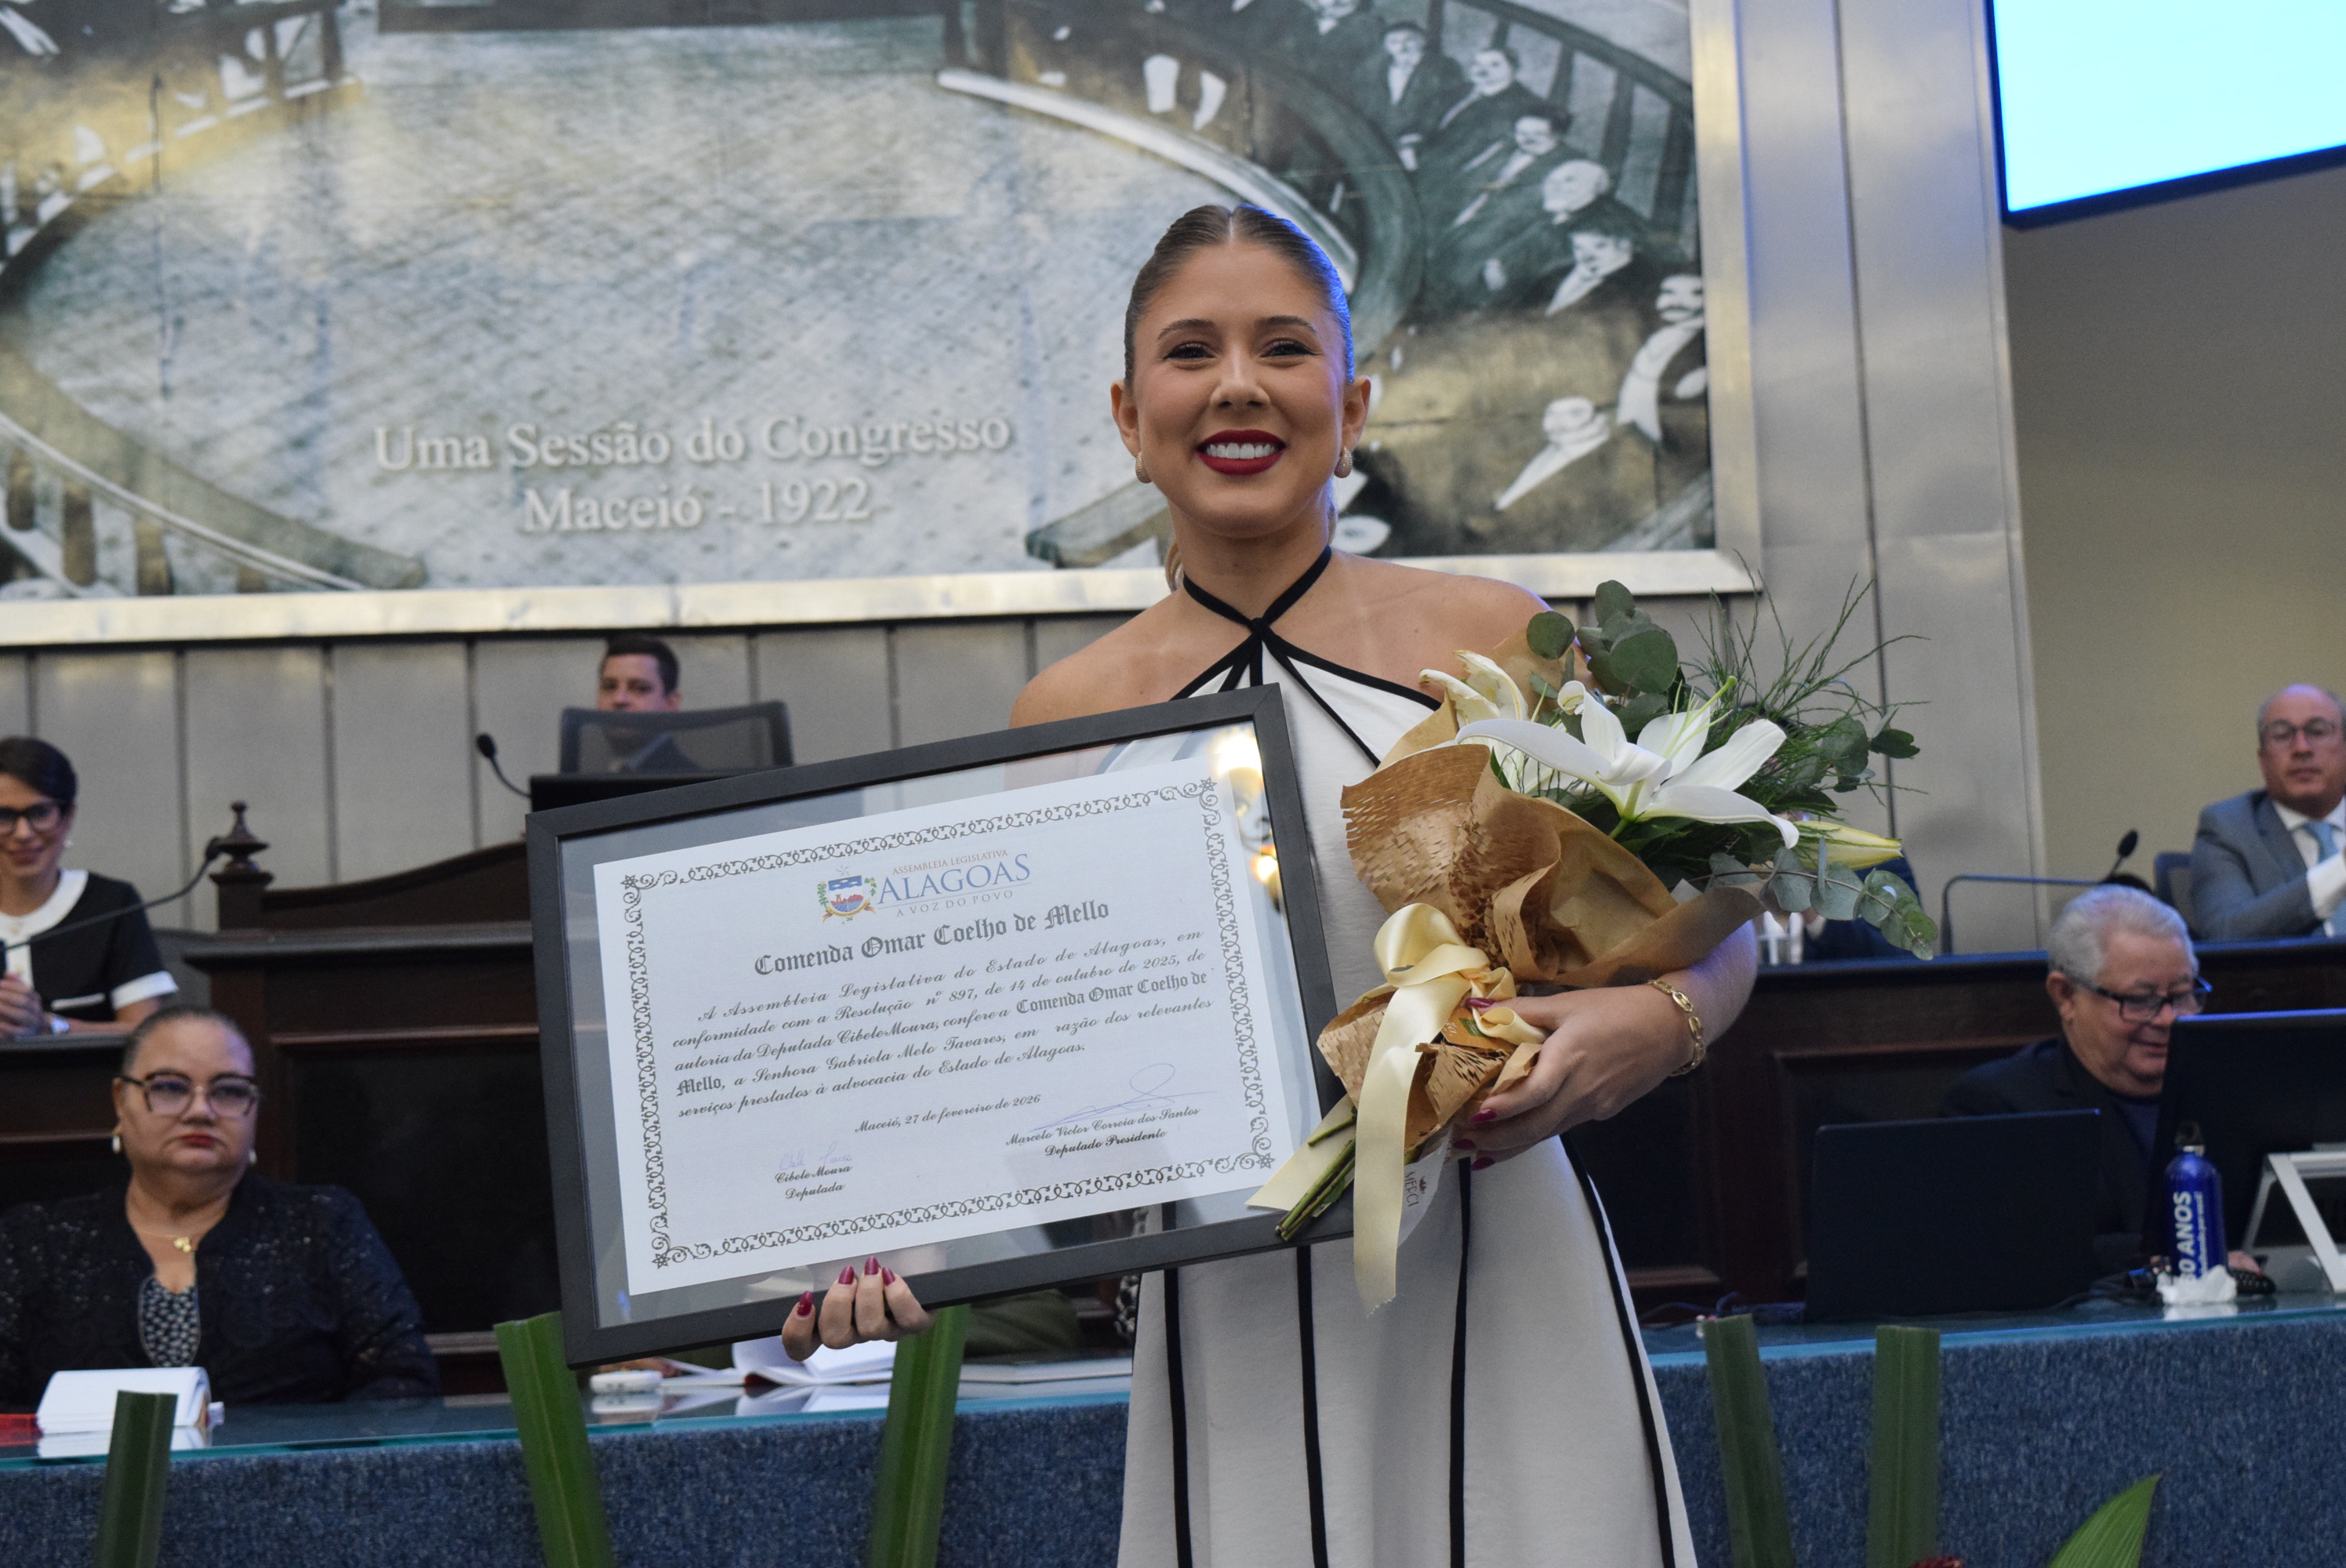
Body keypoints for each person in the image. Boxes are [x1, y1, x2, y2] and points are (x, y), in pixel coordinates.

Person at [790, 204, 1756, 1564]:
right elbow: (1032, 1066)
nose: (1237, 384)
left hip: (1500, 1261)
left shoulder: (1496, 637)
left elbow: (1709, 923)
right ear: (1130, 417)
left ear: (1350, 405)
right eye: (1191, 351)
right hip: (1228, 1294)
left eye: (1282, 348)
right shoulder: (1068, 710)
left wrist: (1660, 1029)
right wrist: (889, 1246)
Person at [0, 1007, 438, 1406]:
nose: (200, 1111)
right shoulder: (36, 1241)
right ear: (120, 1100)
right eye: (169, 1088)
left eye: (228, 1091)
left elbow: (405, 1381)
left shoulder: (323, 1223)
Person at [1940, 886, 2209, 1272]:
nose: (2169, 1020)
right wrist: (2184, 1255)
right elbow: (2025, 1254)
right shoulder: (2001, 1106)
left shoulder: (2232, 1090)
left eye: (2183, 995)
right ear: (2066, 996)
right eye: (2139, 1000)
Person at [0, 737, 176, 1039]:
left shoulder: (112, 904)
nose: (23, 834)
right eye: (4, 816)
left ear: (68, 817)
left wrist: (51, 1028)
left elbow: (148, 1036)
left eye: (40, 814)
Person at [2189, 684, 2346, 939]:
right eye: (2282, 736)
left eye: (2318, 731)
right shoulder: (2228, 828)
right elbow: (2225, 932)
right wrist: (2341, 870)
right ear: (2263, 759)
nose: (2302, 748)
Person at [1345, 20, 1464, 171]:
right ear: (1386, 46)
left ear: (1422, 41)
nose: (1402, 47)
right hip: (1379, 141)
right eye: (1394, 42)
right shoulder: (1375, 70)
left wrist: (1420, 137)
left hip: (1420, 143)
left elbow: (1444, 109)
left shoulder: (1443, 68)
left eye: (1409, 40)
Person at [593, 633, 695, 774]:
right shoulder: (592, 776)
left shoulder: (687, 785)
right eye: (609, 687)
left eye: (640, 688)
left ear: (671, 703)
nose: (619, 699)